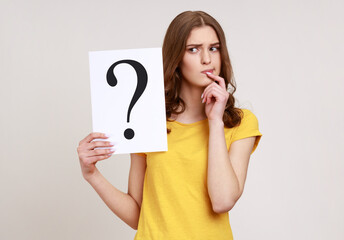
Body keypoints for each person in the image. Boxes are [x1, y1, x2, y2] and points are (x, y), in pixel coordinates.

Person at [77, 10, 262, 240]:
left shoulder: (239, 123)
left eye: (213, 48)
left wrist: (215, 121)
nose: (207, 59)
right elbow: (138, 215)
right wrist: (92, 174)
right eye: (193, 49)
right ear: (176, 58)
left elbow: (222, 201)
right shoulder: (147, 119)